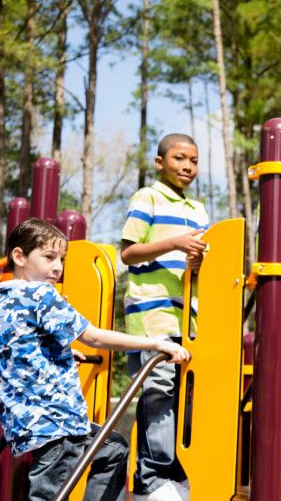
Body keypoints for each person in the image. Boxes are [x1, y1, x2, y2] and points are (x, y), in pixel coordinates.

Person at [0, 218, 191, 501]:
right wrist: (154, 342)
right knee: (49, 493)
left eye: (61, 259)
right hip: (56, 421)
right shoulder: (41, 293)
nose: (57, 267)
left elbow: (14, 344)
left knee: (113, 449)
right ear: (19, 256)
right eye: (48, 257)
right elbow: (93, 336)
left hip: (22, 419)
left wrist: (60, 352)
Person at [120, 133, 209, 501]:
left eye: (193, 160)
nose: (187, 166)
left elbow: (198, 262)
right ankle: (154, 477)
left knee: (182, 395)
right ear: (160, 162)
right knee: (160, 388)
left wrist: (197, 260)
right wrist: (174, 242)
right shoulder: (148, 197)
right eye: (178, 158)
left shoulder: (199, 210)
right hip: (151, 312)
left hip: (187, 315)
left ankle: (169, 471)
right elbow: (128, 253)